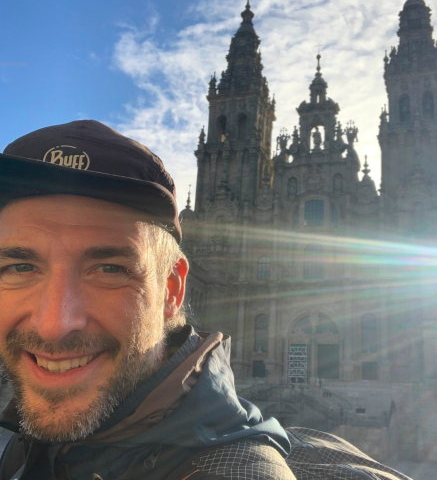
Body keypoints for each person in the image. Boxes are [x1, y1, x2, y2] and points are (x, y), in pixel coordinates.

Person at [0, 120, 296, 479]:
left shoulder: (237, 470)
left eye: (109, 268)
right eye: (19, 267)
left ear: (171, 290)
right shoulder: (30, 436)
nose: (54, 324)